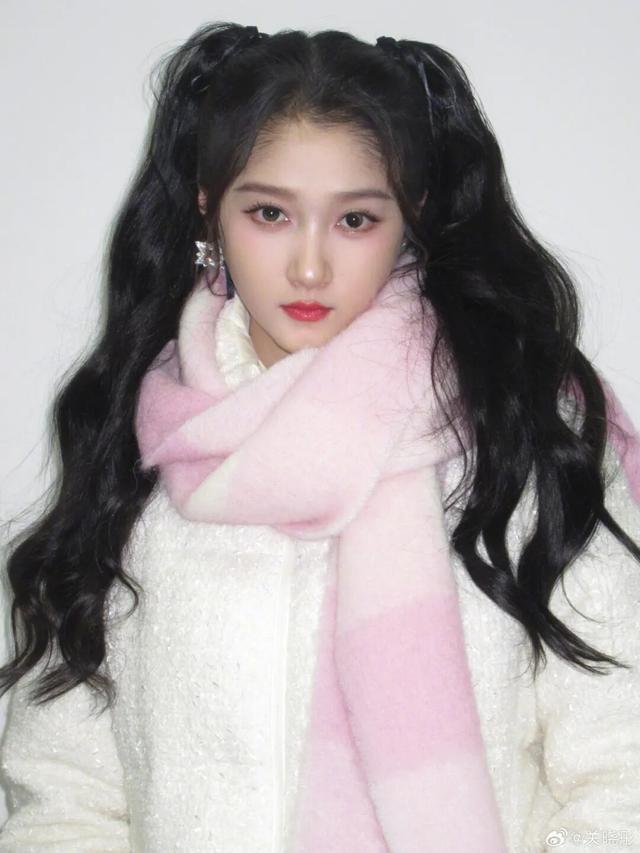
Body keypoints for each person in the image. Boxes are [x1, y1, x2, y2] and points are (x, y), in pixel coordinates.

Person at [0, 19, 639, 853]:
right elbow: (65, 798)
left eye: (355, 220)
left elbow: (624, 776)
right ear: (208, 208)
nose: (309, 267)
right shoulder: (133, 453)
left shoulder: (520, 441)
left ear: (410, 217)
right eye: (270, 212)